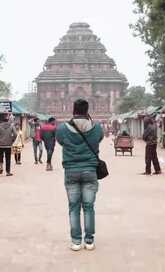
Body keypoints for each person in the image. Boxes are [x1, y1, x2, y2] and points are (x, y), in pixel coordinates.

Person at [56, 99, 103, 252]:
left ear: (73, 110)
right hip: (90, 170)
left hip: (71, 171)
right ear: (87, 110)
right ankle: (89, 241)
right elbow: (99, 139)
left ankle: (76, 241)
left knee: (74, 207)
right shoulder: (97, 128)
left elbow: (61, 142)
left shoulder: (63, 128)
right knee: (89, 207)